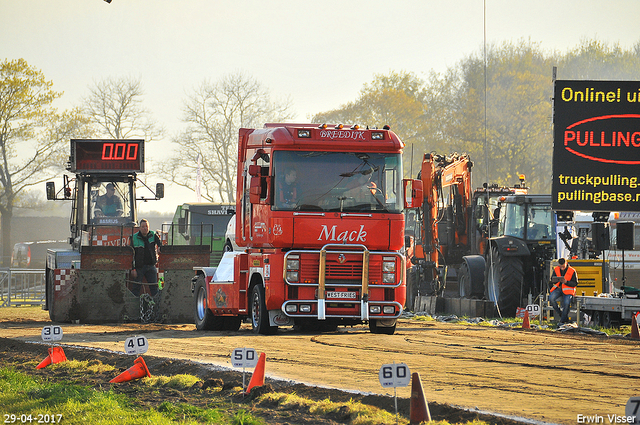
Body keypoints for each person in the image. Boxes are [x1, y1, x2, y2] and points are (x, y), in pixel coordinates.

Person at [130, 219, 162, 297]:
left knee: (154, 288)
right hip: (139, 268)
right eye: (143, 227)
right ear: (139, 228)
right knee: (136, 288)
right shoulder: (134, 238)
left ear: (149, 227)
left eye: (146, 226)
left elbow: (160, 244)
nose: (145, 228)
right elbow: (131, 256)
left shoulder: (153, 235)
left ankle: (156, 306)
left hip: (151, 266)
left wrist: (160, 248)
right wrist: (133, 269)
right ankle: (135, 307)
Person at [549, 258, 579, 325]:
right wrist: (556, 280)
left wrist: (566, 282)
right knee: (551, 299)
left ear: (566, 263)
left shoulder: (572, 270)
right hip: (559, 288)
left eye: (563, 267)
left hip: (568, 290)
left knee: (566, 303)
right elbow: (552, 279)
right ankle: (561, 314)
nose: (562, 268)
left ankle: (562, 320)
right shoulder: (556, 269)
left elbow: (575, 283)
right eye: (560, 266)